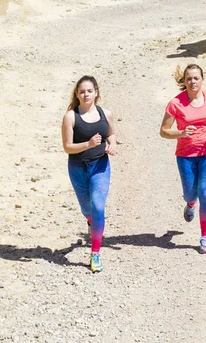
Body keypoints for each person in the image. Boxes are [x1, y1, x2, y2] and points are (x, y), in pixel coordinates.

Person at [160, 64, 206, 254]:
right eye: (189, 78)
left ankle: (204, 237)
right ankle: (190, 204)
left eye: (196, 78)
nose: (193, 82)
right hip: (186, 155)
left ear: (202, 79)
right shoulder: (175, 103)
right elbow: (163, 131)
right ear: (184, 81)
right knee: (191, 193)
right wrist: (180, 133)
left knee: (205, 193)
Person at [61, 75, 116, 272]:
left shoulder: (105, 113)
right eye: (82, 91)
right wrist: (88, 144)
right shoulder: (70, 116)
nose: (86, 94)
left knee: (98, 207)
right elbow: (67, 147)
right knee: (88, 209)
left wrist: (112, 145)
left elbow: (111, 134)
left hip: (100, 166)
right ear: (77, 94)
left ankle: (95, 254)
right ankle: (90, 222)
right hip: (77, 167)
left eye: (89, 91)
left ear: (96, 92)